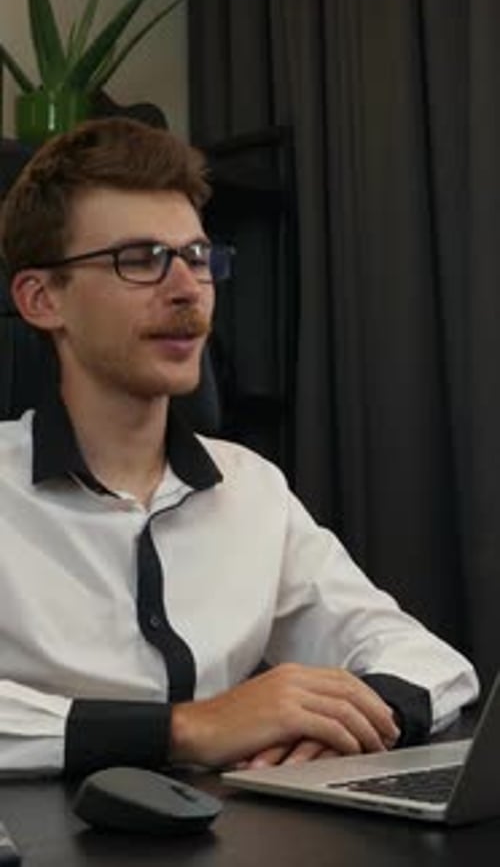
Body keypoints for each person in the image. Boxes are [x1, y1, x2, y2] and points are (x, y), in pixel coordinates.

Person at [0, 118, 478, 777]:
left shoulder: (250, 489)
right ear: (41, 298)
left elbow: (432, 665)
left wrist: (340, 722)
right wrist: (187, 728)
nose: (187, 288)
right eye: (139, 259)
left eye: (197, 257)